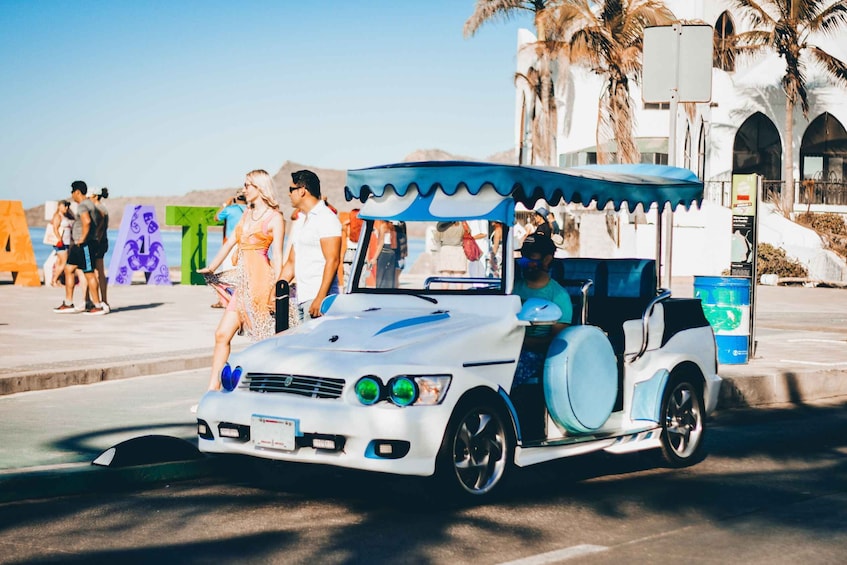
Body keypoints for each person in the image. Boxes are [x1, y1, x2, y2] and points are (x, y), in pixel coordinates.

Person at [198, 169, 285, 391]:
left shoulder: (275, 218)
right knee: (221, 334)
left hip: (261, 285)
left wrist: (277, 289)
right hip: (243, 285)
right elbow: (230, 243)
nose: (244, 189)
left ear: (260, 188)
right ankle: (212, 389)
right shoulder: (246, 214)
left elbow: (279, 256)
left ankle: (268, 389)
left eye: (248, 185)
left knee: (264, 341)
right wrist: (211, 267)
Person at [511, 232, 573, 439]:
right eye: (525, 256)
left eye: (533, 256)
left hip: (536, 354)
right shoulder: (512, 289)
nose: (527, 261)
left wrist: (522, 342)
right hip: (505, 346)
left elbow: (556, 342)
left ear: (547, 259)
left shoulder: (558, 296)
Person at [280, 169, 341, 321]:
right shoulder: (301, 220)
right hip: (302, 298)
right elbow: (291, 262)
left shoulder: (326, 218)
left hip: (320, 300)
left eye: (291, 189)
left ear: (302, 191)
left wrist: (320, 298)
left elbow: (332, 260)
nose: (289, 194)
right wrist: (275, 291)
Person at [54, 181, 106, 315]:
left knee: (89, 273)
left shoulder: (83, 205)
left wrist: (83, 238)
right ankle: (68, 303)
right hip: (80, 244)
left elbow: (87, 221)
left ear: (77, 192)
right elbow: (99, 219)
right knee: (68, 269)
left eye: (72, 192)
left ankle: (98, 305)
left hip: (84, 244)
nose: (71, 195)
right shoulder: (91, 204)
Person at [210, 190, 247, 308]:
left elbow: (216, 217)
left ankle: (224, 300)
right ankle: (239, 299)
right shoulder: (250, 210)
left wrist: (225, 204)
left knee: (226, 272)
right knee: (240, 272)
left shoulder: (230, 209)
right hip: (244, 244)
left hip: (230, 244)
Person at [85, 188, 110, 311]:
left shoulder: (99, 209)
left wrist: (94, 243)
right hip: (101, 242)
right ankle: (96, 300)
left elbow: (99, 229)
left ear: (95, 196)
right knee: (96, 272)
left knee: (97, 272)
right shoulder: (100, 208)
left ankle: (102, 301)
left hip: (98, 243)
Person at [49, 200, 74, 287]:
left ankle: (57, 280)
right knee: (64, 262)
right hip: (61, 242)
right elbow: (55, 228)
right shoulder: (57, 216)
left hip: (67, 241)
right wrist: (60, 239)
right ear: (59, 206)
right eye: (65, 206)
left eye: (67, 206)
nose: (66, 208)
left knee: (59, 262)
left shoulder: (66, 216)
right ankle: (54, 280)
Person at [341, 208, 362, 285]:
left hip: (349, 252)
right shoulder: (363, 227)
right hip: (360, 251)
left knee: (347, 277)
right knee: (360, 278)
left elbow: (343, 225)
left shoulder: (347, 226)